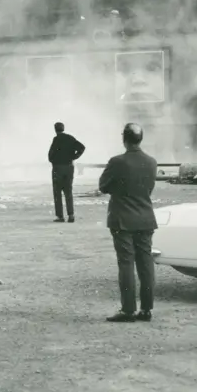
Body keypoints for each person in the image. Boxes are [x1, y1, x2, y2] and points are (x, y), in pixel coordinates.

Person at [98, 123, 158, 323]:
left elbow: (103, 186)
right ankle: (147, 309)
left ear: (124, 138)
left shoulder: (117, 162)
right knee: (146, 263)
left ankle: (128, 310)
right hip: (145, 217)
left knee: (126, 264)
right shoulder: (151, 162)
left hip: (122, 219)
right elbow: (148, 188)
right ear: (141, 138)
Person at [47, 122, 86, 223]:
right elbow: (82, 147)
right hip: (69, 167)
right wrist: (74, 157)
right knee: (68, 191)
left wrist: (53, 161)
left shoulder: (56, 139)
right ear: (63, 128)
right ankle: (71, 215)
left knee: (57, 193)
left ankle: (60, 216)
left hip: (58, 168)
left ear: (55, 129)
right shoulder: (70, 138)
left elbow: (50, 154)